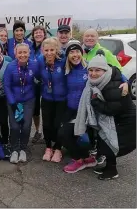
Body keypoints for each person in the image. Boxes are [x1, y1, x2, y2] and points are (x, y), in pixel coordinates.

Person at [59, 41, 129, 173]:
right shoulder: (66, 70)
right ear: (67, 55)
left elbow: (112, 71)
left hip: (88, 110)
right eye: (71, 52)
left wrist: (125, 82)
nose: (75, 55)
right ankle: (84, 158)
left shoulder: (90, 67)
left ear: (82, 53)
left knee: (83, 138)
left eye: (77, 51)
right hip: (71, 109)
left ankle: (84, 159)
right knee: (63, 135)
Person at [74, 53, 136, 180]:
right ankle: (109, 167)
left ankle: (112, 171)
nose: (93, 73)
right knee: (104, 141)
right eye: (90, 70)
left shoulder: (112, 86)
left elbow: (111, 110)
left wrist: (95, 102)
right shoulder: (97, 82)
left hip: (125, 119)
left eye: (98, 70)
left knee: (109, 143)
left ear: (105, 70)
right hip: (116, 118)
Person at [3, 43, 39, 164]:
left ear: (29, 53)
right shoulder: (10, 67)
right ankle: (14, 149)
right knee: (14, 126)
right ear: (15, 53)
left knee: (26, 125)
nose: (22, 55)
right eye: (20, 52)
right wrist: (12, 102)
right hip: (13, 100)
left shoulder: (34, 65)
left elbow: (40, 78)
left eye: (25, 52)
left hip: (29, 100)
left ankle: (23, 148)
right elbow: (6, 85)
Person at [37, 37, 67, 163]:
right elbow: (35, 73)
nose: (49, 53)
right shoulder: (40, 61)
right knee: (47, 124)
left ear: (57, 50)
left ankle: (58, 148)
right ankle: (48, 147)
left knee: (58, 124)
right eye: (46, 50)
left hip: (61, 98)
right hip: (47, 97)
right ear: (42, 50)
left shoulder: (64, 61)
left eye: (52, 50)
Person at [29, 25, 48, 144]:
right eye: (36, 33)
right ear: (33, 35)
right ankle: (38, 131)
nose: (38, 34)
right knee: (35, 110)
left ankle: (47, 133)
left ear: (44, 34)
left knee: (46, 109)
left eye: (40, 32)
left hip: (46, 82)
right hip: (33, 84)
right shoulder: (30, 47)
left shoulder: (47, 46)